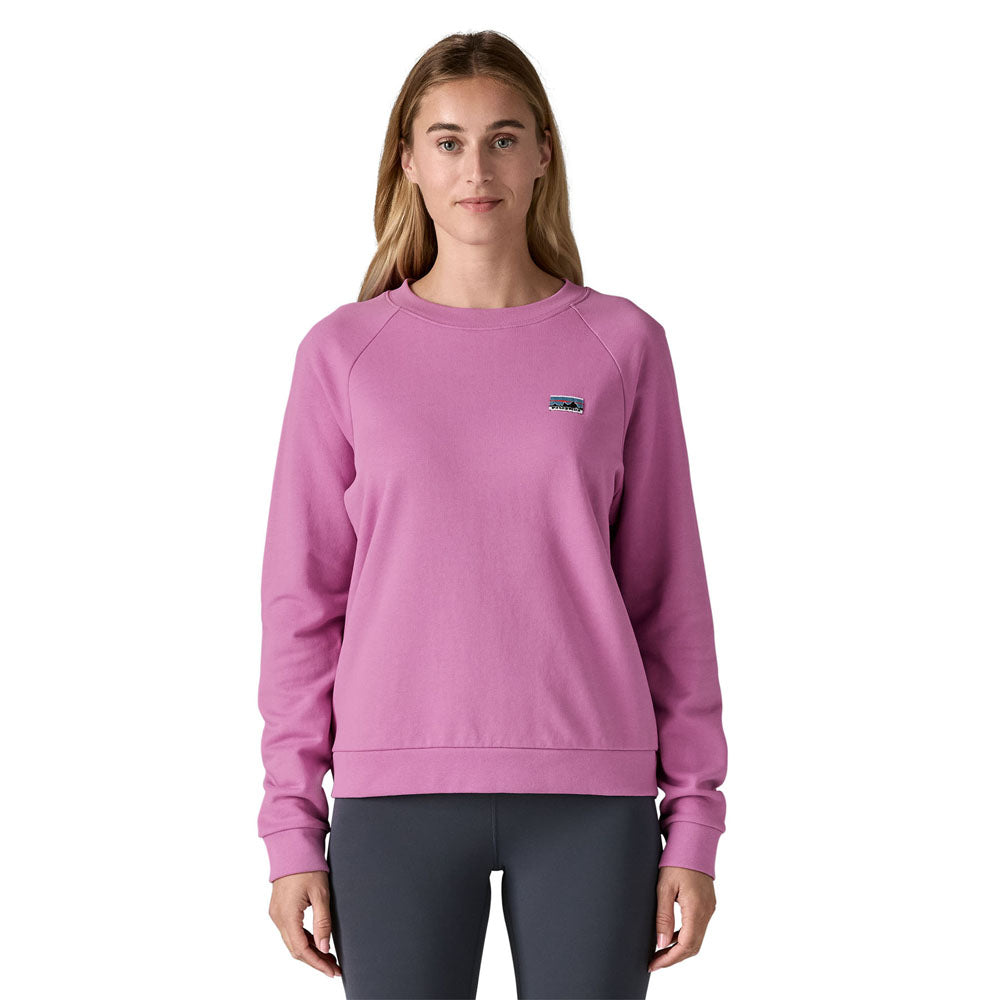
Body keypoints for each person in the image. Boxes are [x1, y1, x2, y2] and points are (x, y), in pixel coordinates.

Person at [256, 29, 728, 1000]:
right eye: (448, 141)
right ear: (408, 161)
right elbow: (301, 605)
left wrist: (695, 823)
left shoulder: (622, 343)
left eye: (504, 138)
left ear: (544, 153)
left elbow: (668, 598)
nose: (476, 168)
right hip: (393, 796)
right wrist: (290, 827)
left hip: (592, 795)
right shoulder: (342, 353)